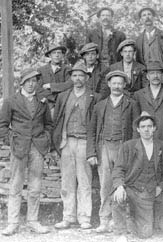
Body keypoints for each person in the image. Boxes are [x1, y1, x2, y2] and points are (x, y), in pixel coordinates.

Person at [0, 69, 53, 236]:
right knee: (16, 185)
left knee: (35, 186)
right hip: (19, 148)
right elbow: (1, 125)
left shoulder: (42, 102)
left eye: (34, 80)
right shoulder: (11, 101)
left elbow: (48, 124)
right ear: (22, 83)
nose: (31, 83)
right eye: (28, 81)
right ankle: (13, 223)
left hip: (37, 147)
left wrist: (46, 138)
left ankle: (33, 221)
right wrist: (12, 140)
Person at [86, 70, 139, 233]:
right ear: (109, 84)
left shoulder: (132, 104)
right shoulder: (100, 105)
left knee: (124, 184)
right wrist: (91, 153)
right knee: (106, 185)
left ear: (124, 85)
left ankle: (122, 221)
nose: (117, 86)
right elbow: (92, 130)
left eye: (120, 83)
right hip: (104, 147)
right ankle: (105, 219)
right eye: (114, 83)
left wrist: (134, 151)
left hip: (124, 148)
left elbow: (136, 129)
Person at [52, 63, 101, 230]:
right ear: (71, 78)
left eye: (81, 76)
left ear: (86, 78)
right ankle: (68, 216)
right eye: (74, 76)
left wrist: (93, 148)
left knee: (85, 181)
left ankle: (84, 217)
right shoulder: (63, 96)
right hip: (67, 142)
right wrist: (57, 142)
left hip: (84, 143)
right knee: (67, 182)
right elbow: (57, 120)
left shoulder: (94, 97)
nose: (78, 79)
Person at [133, 61, 163, 230]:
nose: (155, 76)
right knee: (146, 176)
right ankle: (147, 217)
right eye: (152, 73)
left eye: (158, 73)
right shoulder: (139, 95)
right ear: (147, 76)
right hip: (145, 140)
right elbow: (135, 120)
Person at [112, 112, 163, 239]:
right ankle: (120, 233)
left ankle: (131, 220)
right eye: (143, 126)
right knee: (117, 198)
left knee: (145, 234)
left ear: (154, 128)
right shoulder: (128, 146)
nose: (146, 129)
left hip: (148, 193)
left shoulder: (162, 146)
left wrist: (161, 187)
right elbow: (118, 169)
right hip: (131, 188)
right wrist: (119, 187)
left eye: (149, 126)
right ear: (138, 129)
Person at [37, 44, 72, 113]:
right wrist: (52, 98)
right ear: (50, 55)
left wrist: (50, 86)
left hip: (64, 104)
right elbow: (38, 89)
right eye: (54, 53)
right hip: (47, 105)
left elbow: (69, 85)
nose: (57, 55)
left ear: (62, 55)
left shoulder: (68, 69)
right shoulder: (41, 70)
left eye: (59, 53)